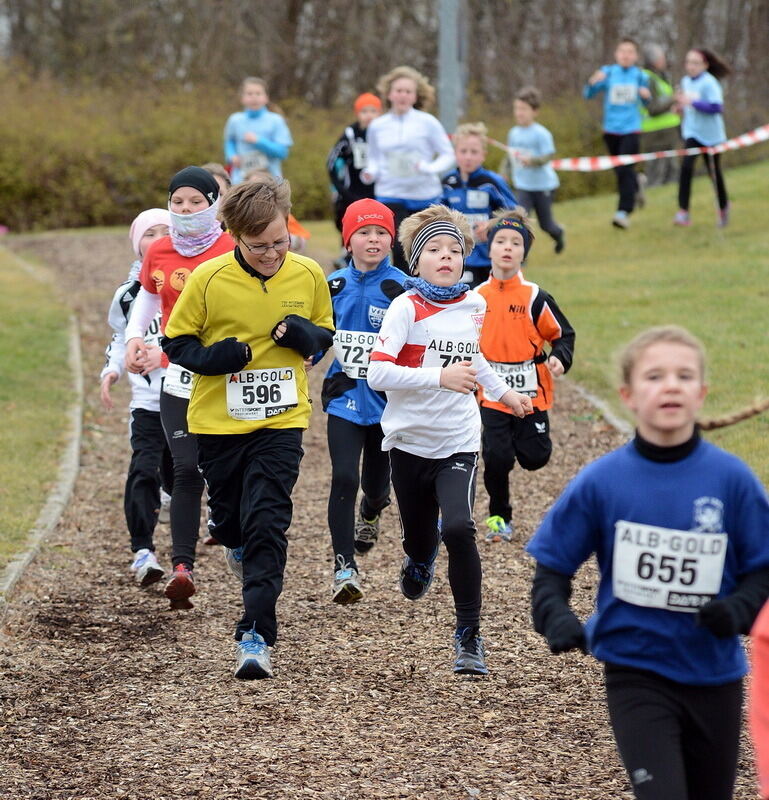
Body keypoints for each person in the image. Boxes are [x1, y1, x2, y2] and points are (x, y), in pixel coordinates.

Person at [526, 325, 769, 800]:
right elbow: (551, 569)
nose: (671, 385)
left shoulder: (732, 480)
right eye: (655, 376)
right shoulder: (603, 481)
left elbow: (763, 568)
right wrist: (555, 616)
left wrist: (738, 608)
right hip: (635, 672)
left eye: (684, 375)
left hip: (714, 675)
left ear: (701, 393)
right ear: (628, 396)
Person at [162, 177, 334, 680]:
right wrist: (214, 358)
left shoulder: (306, 273)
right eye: (259, 246)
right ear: (234, 235)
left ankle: (255, 631)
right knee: (233, 521)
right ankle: (230, 539)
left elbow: (323, 335)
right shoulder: (209, 279)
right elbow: (177, 344)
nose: (272, 254)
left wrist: (308, 337)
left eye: (280, 242)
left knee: (268, 521)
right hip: (219, 423)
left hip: (282, 420)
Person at [367, 205, 532, 675]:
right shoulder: (405, 307)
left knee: (458, 527)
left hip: (458, 440)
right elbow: (377, 372)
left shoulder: (474, 304)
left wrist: (503, 392)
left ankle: (469, 637)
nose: (446, 257)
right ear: (415, 262)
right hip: (408, 441)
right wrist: (437, 377)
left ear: (465, 259)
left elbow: (473, 358)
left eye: (454, 250)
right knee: (421, 537)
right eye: (434, 250)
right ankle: (419, 558)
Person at [124, 167, 235, 610]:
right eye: (178, 202)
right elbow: (149, 297)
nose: (186, 210)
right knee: (186, 471)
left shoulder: (232, 250)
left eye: (195, 201)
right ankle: (182, 568)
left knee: (224, 473)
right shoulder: (160, 250)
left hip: (225, 377)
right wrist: (136, 338)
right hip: (180, 378)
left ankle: (236, 538)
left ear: (214, 203)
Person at [322, 199, 406, 604]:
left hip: (388, 402)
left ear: (391, 239)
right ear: (348, 239)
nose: (373, 239)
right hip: (343, 397)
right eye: (363, 232)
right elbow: (320, 332)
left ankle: (372, 512)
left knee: (374, 486)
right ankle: (344, 567)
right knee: (344, 477)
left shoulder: (402, 288)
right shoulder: (332, 284)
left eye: (381, 233)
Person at [476, 209, 574, 542]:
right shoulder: (476, 298)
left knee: (535, 458)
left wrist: (560, 358)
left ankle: (521, 442)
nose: (507, 248)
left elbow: (563, 334)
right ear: (488, 249)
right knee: (496, 456)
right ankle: (498, 517)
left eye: (515, 243)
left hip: (532, 391)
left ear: (523, 253)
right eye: (500, 241)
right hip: (492, 393)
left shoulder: (535, 297)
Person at [100, 208, 173, 586]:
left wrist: (162, 355)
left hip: (188, 400)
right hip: (147, 402)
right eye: (150, 233)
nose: (158, 238)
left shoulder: (189, 282)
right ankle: (143, 550)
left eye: (166, 231)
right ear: (136, 243)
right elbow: (119, 337)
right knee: (143, 469)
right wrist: (111, 371)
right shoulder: (128, 295)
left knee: (184, 475)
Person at [362, 66, 455, 271]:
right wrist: (370, 173)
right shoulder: (378, 125)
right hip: (390, 194)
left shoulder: (428, 122)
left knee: (426, 247)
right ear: (389, 94)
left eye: (408, 91)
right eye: (398, 90)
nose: (403, 95)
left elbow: (448, 154)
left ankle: (428, 292)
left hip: (424, 194)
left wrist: (430, 168)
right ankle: (405, 294)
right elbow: (374, 159)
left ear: (415, 96)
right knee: (398, 249)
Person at [583, 37, 651, 229]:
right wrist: (592, 82)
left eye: (630, 52)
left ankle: (623, 212)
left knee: (624, 169)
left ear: (635, 56)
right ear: (616, 54)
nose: (626, 55)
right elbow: (588, 94)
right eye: (622, 51)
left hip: (632, 129)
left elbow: (648, 101)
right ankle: (637, 184)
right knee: (621, 172)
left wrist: (646, 96)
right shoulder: (608, 72)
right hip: (611, 130)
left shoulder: (640, 76)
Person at [441, 122, 518, 288]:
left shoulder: (492, 182)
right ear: (455, 153)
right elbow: (437, 216)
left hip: (489, 257)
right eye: (463, 151)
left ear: (483, 155)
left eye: (474, 152)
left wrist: (492, 225)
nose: (468, 157)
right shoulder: (448, 183)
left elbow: (515, 215)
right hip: (459, 257)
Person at [673, 49, 731, 228]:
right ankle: (683, 212)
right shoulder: (685, 82)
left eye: (695, 63)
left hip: (712, 136)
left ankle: (723, 207)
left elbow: (716, 108)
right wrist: (680, 108)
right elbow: (687, 106)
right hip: (692, 133)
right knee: (686, 168)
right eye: (688, 62)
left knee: (713, 173)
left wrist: (693, 103)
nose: (690, 66)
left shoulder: (710, 83)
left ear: (705, 65)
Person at [506, 88, 565, 253]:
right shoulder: (513, 133)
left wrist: (532, 161)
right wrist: (503, 172)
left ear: (535, 111)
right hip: (523, 186)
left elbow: (548, 156)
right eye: (517, 108)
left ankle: (558, 234)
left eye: (523, 109)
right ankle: (521, 256)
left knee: (546, 225)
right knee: (519, 221)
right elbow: (510, 156)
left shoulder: (541, 134)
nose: (519, 113)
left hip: (543, 186)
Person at [326, 92, 382, 263]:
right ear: (357, 114)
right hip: (352, 193)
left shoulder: (385, 134)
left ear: (380, 113)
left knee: (377, 226)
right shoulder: (351, 134)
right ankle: (346, 255)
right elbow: (331, 162)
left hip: (379, 192)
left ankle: (378, 257)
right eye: (364, 111)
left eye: (373, 111)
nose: (369, 115)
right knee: (348, 222)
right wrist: (340, 188)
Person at [224, 77, 293, 184]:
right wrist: (231, 156)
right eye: (249, 94)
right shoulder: (235, 120)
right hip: (239, 181)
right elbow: (230, 141)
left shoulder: (276, 120)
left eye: (258, 93)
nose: (254, 97)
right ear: (242, 98)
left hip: (271, 182)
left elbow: (282, 152)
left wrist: (259, 141)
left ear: (266, 97)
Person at [640, 45, 681, 188]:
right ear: (654, 60)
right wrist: (673, 99)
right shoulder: (647, 78)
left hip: (668, 130)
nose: (664, 61)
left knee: (672, 169)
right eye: (662, 58)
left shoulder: (662, 77)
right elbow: (652, 108)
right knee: (656, 172)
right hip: (654, 132)